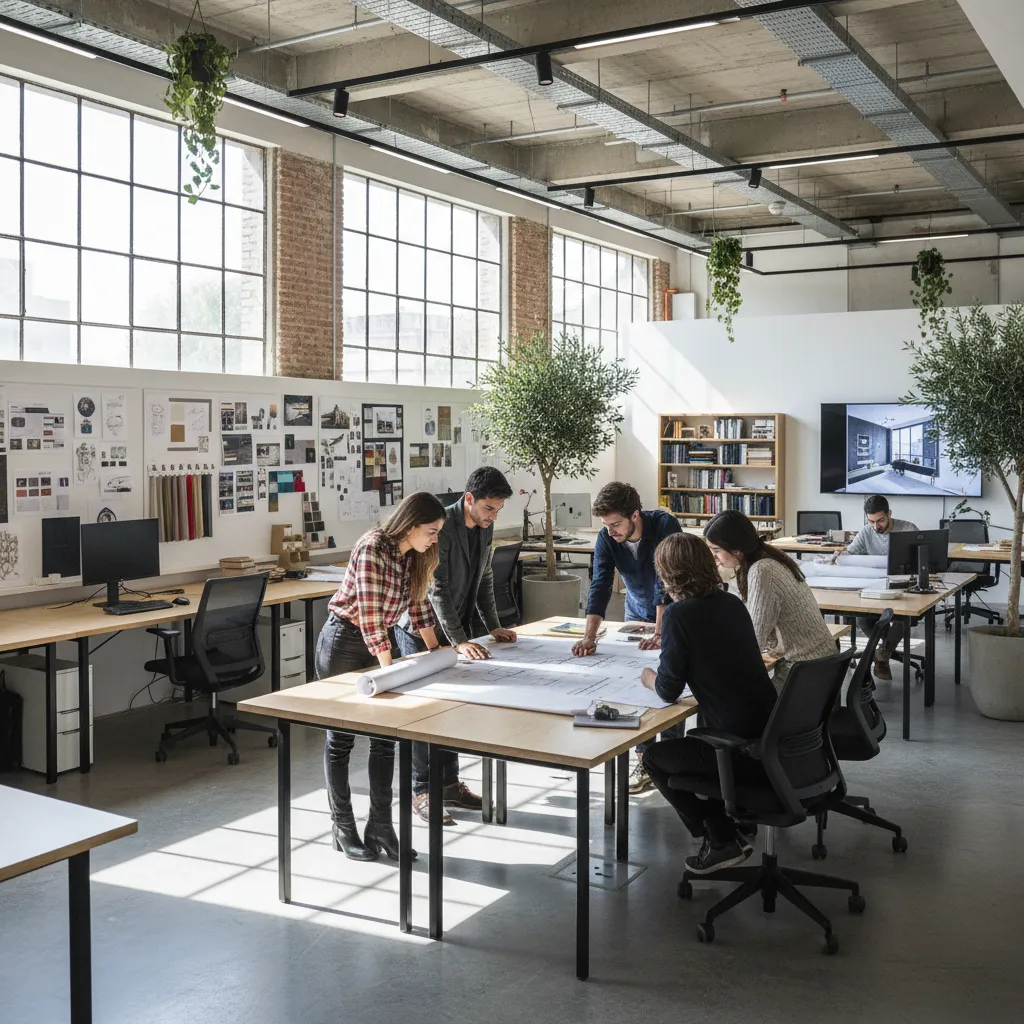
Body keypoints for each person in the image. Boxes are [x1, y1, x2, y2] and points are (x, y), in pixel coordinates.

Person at [317, 491, 446, 861]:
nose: (435, 539)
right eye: (431, 531)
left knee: (384, 738)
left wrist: (438, 653)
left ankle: (381, 826)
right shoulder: (372, 547)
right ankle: (342, 827)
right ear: (409, 525)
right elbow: (371, 619)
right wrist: (390, 673)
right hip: (345, 642)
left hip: (378, 642)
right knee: (341, 738)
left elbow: (420, 609)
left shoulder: (414, 556)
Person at [640, 533, 778, 875]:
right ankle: (732, 825)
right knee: (700, 737)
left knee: (655, 757)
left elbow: (667, 690)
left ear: (667, 573)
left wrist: (647, 676)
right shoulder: (730, 603)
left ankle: (720, 840)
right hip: (773, 737)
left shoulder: (679, 616)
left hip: (740, 751)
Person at [396, 467, 518, 825]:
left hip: (454, 629)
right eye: (489, 508)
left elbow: (484, 576)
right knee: (422, 712)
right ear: (469, 500)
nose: (493, 516)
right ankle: (421, 791)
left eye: (497, 510)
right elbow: (438, 590)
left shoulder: (484, 524)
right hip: (421, 629)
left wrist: (493, 624)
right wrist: (460, 640)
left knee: (450, 709)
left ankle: (448, 783)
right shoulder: (442, 527)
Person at [571, 481, 681, 794]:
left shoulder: (664, 524)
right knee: (638, 684)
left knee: (672, 683)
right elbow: (600, 584)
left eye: (616, 524)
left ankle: (672, 759)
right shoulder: (607, 537)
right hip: (636, 613)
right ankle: (645, 759)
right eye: (606, 525)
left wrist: (661, 630)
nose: (611, 531)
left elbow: (667, 578)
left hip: (672, 613)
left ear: (635, 515)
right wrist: (589, 636)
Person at [704, 509, 838, 691]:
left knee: (722, 699)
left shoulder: (762, 571)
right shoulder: (768, 558)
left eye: (716, 550)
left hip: (805, 676)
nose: (713, 556)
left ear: (736, 548)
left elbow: (754, 641)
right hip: (820, 670)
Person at [839, 495, 918, 680]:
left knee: (903, 616)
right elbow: (851, 553)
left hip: (903, 588)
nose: (876, 527)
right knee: (862, 618)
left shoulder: (907, 529)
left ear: (889, 514)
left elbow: (921, 560)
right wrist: (841, 555)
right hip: (875, 588)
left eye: (881, 520)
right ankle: (885, 650)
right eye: (871, 521)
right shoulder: (867, 532)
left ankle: (883, 652)